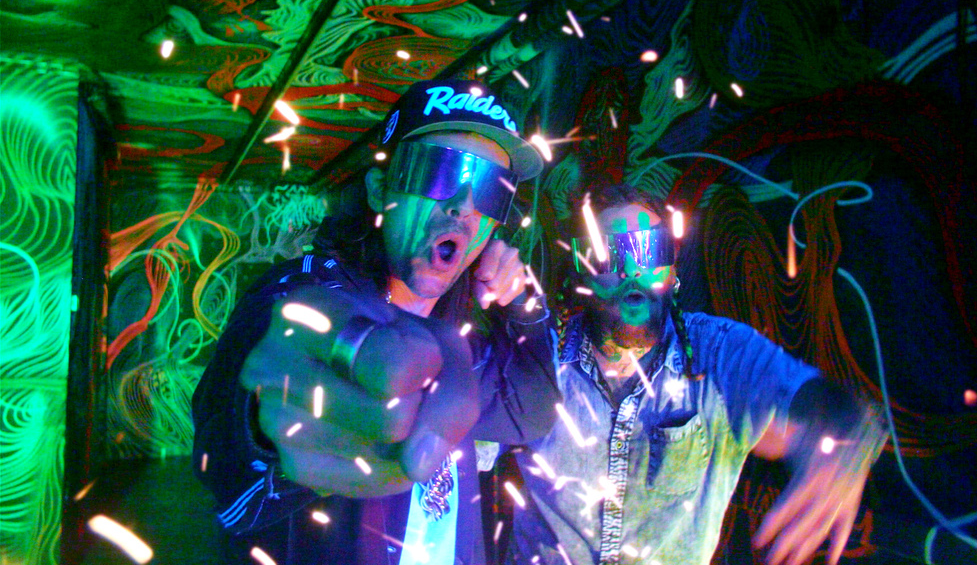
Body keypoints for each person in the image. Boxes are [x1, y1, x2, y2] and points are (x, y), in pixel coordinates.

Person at [191, 78, 560, 565]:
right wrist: (267, 432)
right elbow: (230, 471)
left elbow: (531, 410)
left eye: (491, 190)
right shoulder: (302, 294)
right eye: (438, 172)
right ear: (378, 190)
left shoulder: (460, 335)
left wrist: (520, 305)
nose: (463, 206)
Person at [506, 183, 887, 565]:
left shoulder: (718, 352)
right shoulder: (538, 356)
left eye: (649, 250)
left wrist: (846, 430)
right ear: (582, 272)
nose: (632, 271)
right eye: (608, 255)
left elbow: (814, 401)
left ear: (671, 267)